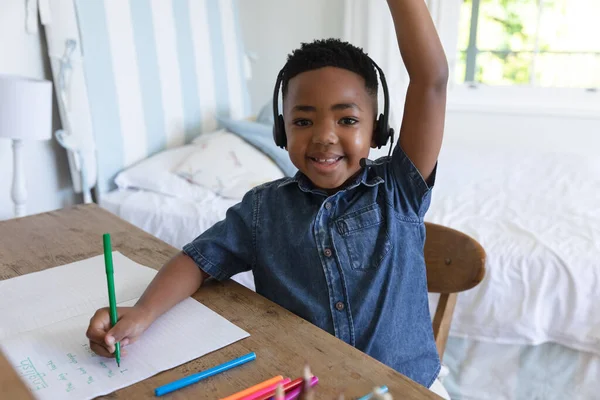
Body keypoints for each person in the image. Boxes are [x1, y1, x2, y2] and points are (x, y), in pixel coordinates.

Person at [86, 0, 449, 394]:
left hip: (405, 389)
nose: (324, 136)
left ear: (378, 131)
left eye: (347, 119)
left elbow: (431, 79)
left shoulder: (397, 189)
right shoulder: (262, 210)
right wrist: (142, 312)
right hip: (304, 388)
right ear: (281, 132)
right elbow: (197, 260)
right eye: (303, 121)